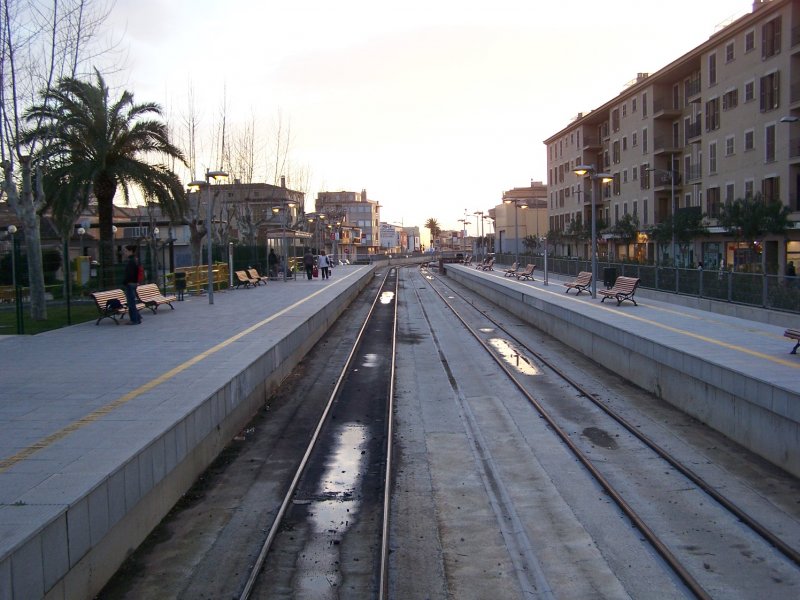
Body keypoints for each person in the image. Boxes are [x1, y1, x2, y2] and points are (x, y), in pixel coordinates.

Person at [122, 245, 142, 325]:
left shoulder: (131, 261)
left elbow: (129, 274)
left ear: (131, 251)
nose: (125, 253)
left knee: (131, 303)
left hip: (130, 284)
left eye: (126, 251)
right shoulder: (136, 260)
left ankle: (134, 320)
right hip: (134, 283)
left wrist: (124, 282)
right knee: (132, 302)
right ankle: (137, 318)